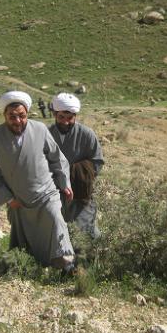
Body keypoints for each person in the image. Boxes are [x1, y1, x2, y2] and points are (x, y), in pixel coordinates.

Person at [0, 91, 75, 271]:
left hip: (46, 193)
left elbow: (57, 159)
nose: (17, 121)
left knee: (56, 221)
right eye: (12, 116)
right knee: (28, 237)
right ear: (4, 116)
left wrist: (64, 184)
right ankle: (36, 263)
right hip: (20, 200)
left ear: (27, 114)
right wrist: (9, 199)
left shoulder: (40, 129)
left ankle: (66, 264)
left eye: (22, 116)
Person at [48, 93, 104, 239]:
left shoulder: (87, 134)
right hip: (54, 191)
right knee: (55, 229)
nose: (66, 122)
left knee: (86, 230)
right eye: (61, 117)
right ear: (54, 114)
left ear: (75, 116)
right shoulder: (47, 134)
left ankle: (93, 258)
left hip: (80, 192)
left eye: (70, 118)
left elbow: (97, 161)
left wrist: (77, 175)